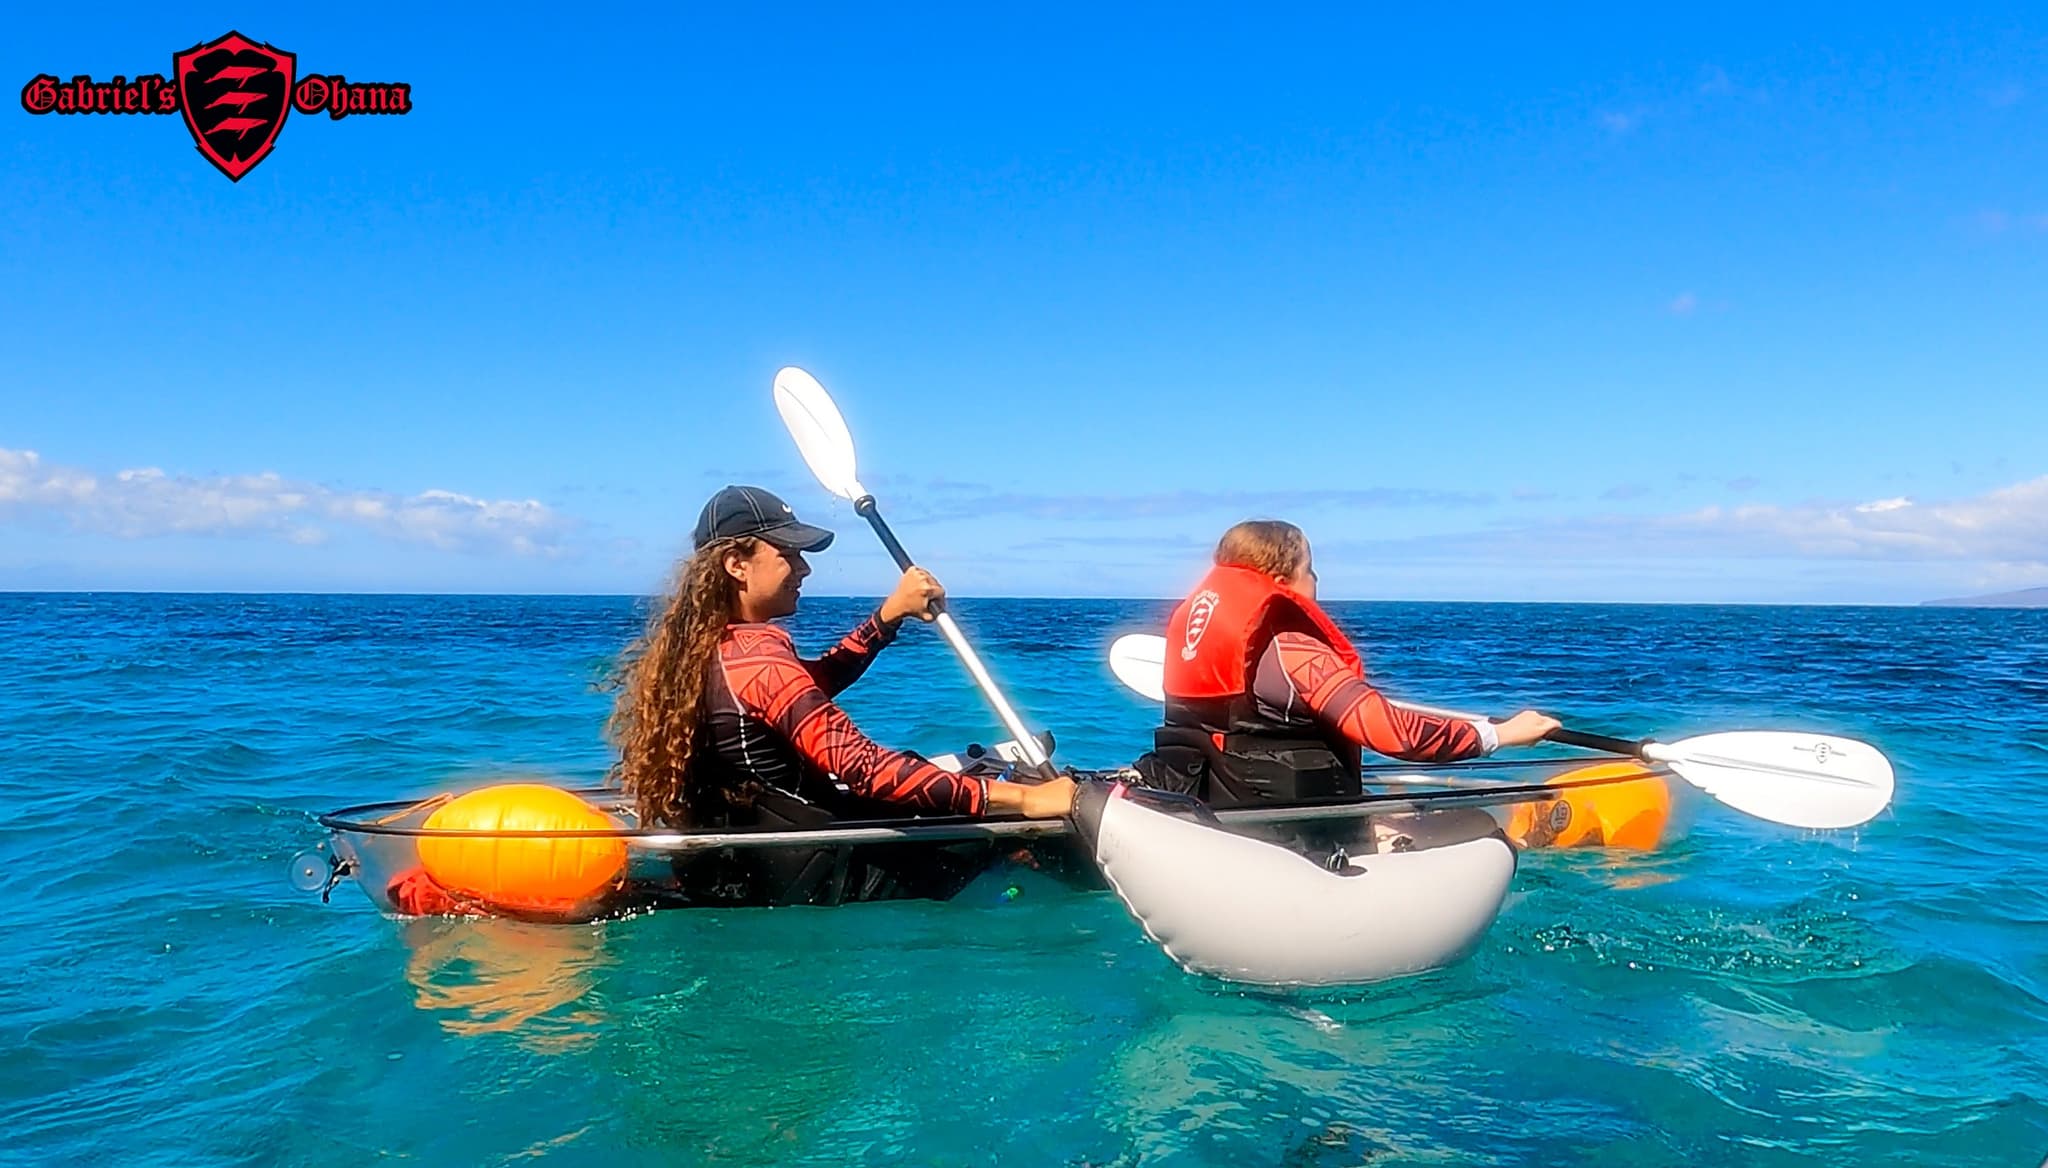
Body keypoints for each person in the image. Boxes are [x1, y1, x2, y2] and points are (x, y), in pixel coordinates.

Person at [606, 485, 1076, 904]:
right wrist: (1024, 802)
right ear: (737, 565)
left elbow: (804, 693)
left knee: (927, 778)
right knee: (1015, 831)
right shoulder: (759, 659)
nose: (804, 568)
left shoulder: (703, 653)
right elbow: (861, 767)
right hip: (820, 873)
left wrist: (887, 619)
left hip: (737, 869)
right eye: (787, 554)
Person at [1139, 519, 1559, 810]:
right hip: (1292, 834)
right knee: (1479, 828)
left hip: (1217, 813)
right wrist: (1499, 734)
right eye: (1311, 568)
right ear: (1283, 582)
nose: (1317, 580)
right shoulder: (1294, 651)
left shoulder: (1193, 637)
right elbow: (1394, 735)